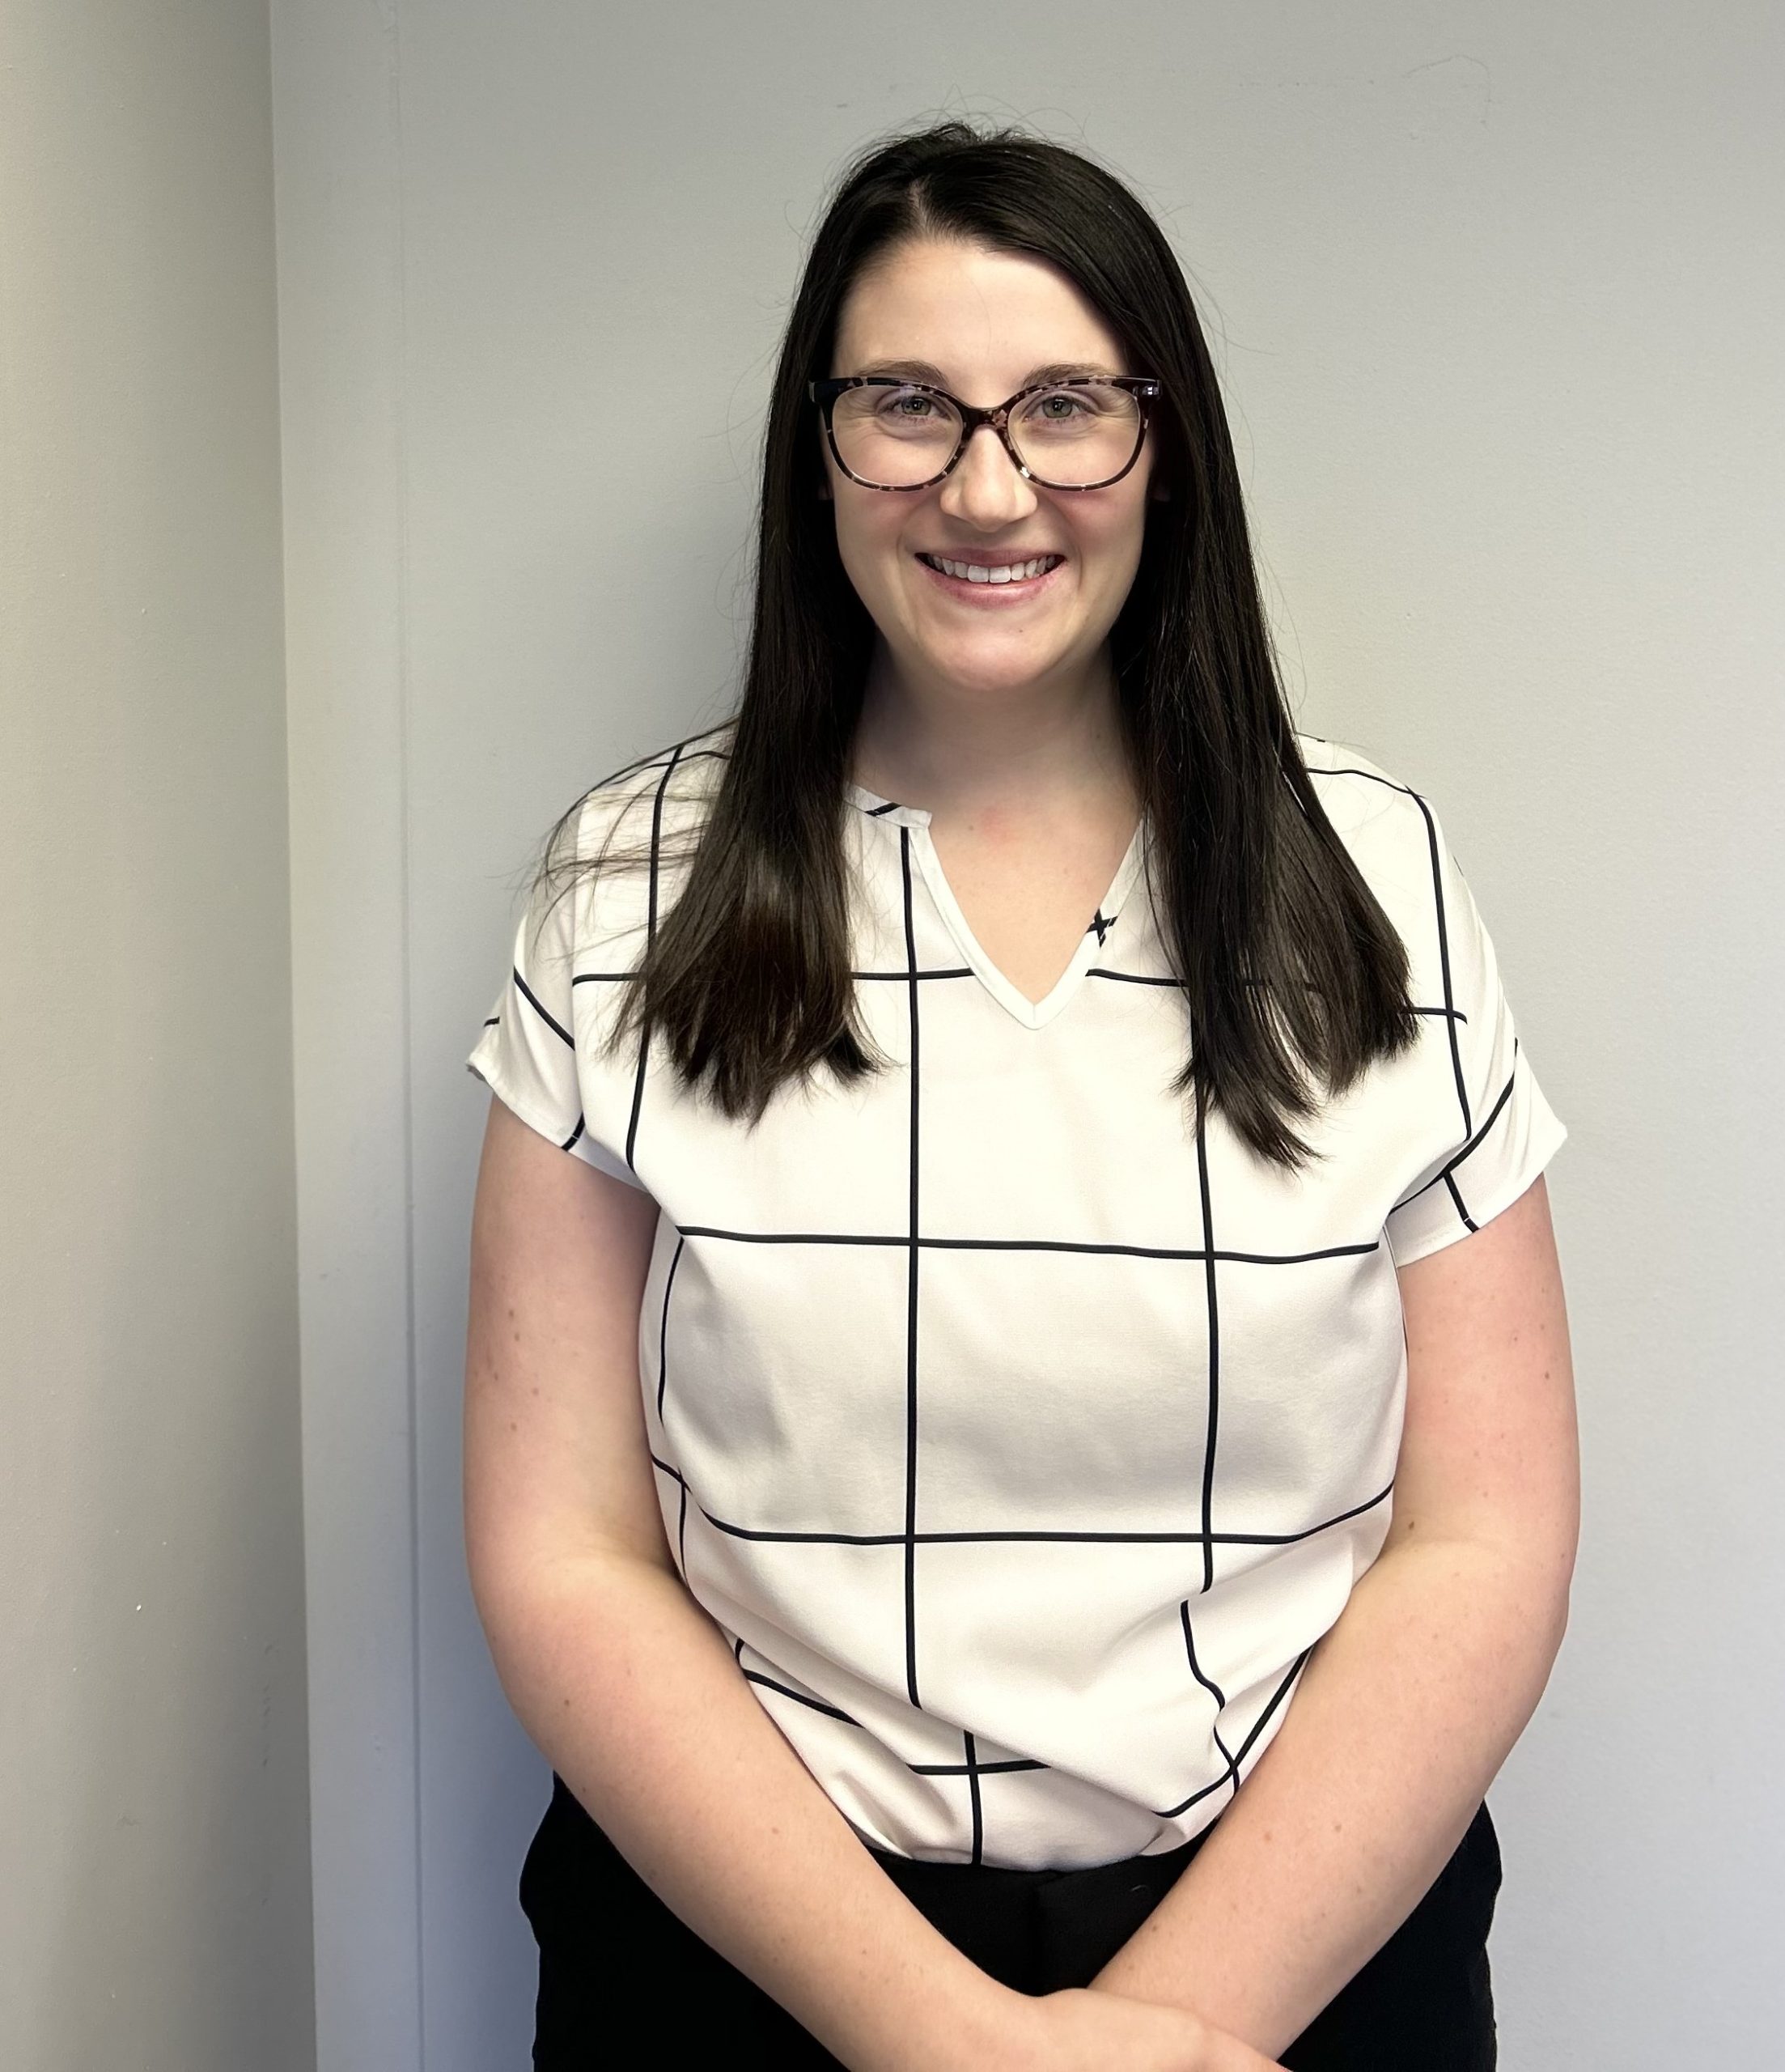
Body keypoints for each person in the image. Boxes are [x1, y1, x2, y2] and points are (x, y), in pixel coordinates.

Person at [461, 119, 1578, 2072]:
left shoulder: (1373, 875)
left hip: (1290, 1949)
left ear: (1164, 444)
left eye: (1064, 404)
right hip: (754, 1952)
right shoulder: (623, 887)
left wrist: (1164, 2025)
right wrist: (939, 2036)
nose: (987, 486)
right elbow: (563, 1548)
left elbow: (1482, 1537)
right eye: (908, 403)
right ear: (818, 450)